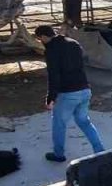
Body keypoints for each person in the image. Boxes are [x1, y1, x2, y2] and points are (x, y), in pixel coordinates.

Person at [35, 24, 105, 163]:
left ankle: (58, 154)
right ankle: (100, 150)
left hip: (67, 93)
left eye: (39, 39)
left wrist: (51, 98)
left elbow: (54, 75)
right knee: (84, 122)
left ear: (43, 36)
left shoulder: (51, 50)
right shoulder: (73, 43)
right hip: (84, 89)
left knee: (59, 124)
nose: (40, 42)